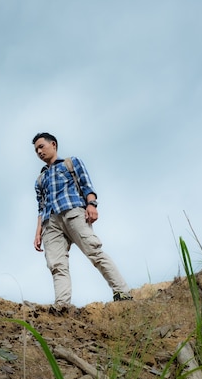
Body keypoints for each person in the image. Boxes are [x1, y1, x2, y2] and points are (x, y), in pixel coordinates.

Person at [32, 132, 132, 310]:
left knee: (94, 251)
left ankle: (122, 292)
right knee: (56, 265)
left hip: (73, 212)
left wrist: (91, 204)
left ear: (53, 144)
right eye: (36, 150)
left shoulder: (70, 163)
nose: (39, 151)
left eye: (41, 146)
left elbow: (86, 185)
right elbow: (41, 207)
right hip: (50, 223)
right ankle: (62, 305)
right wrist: (38, 232)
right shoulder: (40, 180)